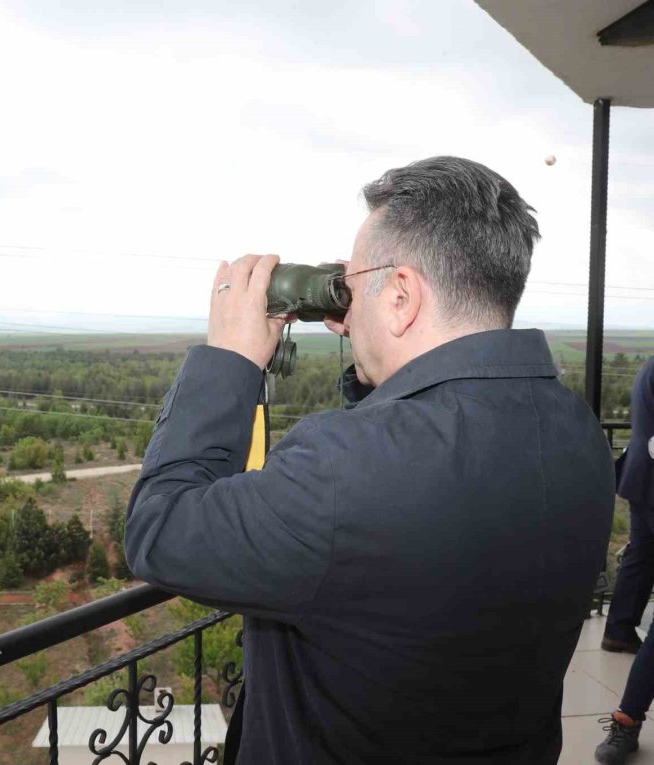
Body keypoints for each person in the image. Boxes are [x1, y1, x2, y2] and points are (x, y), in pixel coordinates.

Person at [124, 156, 614, 764]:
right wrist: (372, 351)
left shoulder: (341, 467)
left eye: (354, 285)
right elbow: (417, 448)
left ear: (401, 296)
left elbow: (159, 530)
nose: (347, 305)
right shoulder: (576, 431)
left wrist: (230, 357)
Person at [595, 357, 654, 764]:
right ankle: (628, 718)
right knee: (639, 557)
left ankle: (618, 629)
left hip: (642, 479)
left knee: (639, 557)